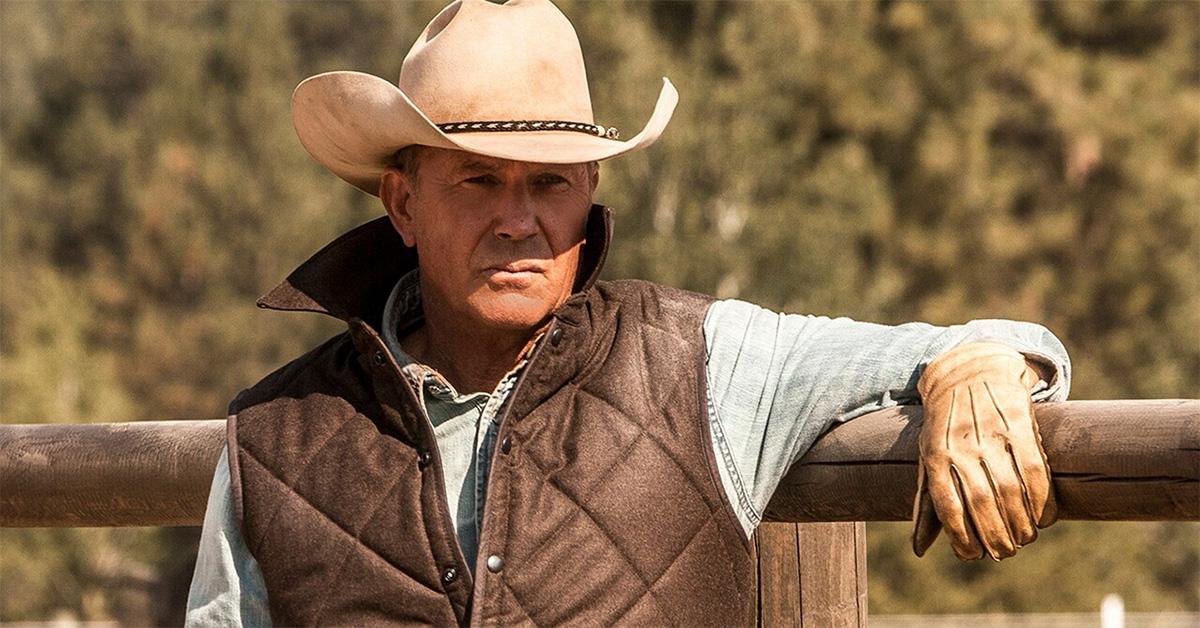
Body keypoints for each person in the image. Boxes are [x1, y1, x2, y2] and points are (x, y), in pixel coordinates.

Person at [185, 0, 1070, 625]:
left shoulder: (704, 363)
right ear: (403, 203)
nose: (519, 219)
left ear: (589, 195)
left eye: (550, 184)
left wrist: (976, 370)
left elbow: (981, 344)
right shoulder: (274, 437)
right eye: (478, 179)